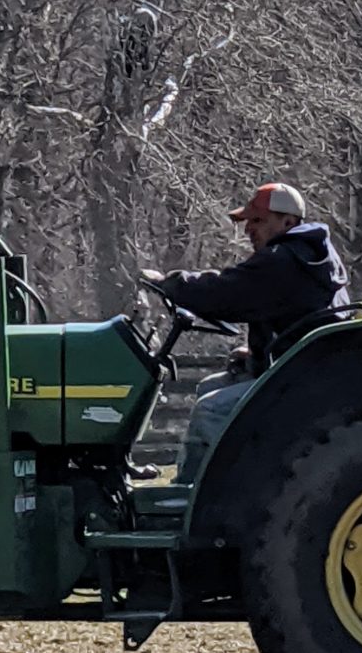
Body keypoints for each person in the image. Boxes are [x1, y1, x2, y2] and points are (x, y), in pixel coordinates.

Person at [145, 181, 350, 484]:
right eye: (247, 222)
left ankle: (213, 497)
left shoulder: (286, 260)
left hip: (303, 380)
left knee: (211, 411)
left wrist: (170, 284)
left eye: (257, 221)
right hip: (304, 367)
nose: (248, 230)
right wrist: (260, 351)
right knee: (209, 387)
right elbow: (291, 315)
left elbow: (227, 293)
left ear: (287, 222)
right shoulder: (309, 256)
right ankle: (189, 489)